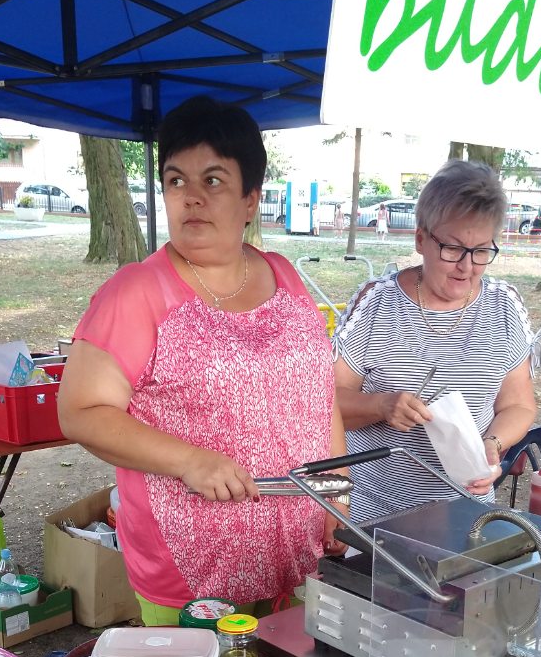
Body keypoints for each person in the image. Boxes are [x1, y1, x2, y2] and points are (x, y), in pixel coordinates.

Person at [58, 95, 348, 626]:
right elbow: (81, 411)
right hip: (195, 566)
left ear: (250, 199)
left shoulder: (282, 272)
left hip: (298, 546)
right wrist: (191, 461)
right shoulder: (137, 291)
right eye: (175, 181)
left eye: (212, 180)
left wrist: (335, 494)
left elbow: (317, 394)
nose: (191, 198)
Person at [332, 159, 538, 521]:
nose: (467, 267)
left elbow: (518, 405)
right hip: (375, 516)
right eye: (453, 249)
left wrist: (492, 446)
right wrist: (381, 406)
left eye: (481, 251)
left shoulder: (504, 306)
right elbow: (326, 404)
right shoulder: (377, 304)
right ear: (421, 239)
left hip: (468, 517)